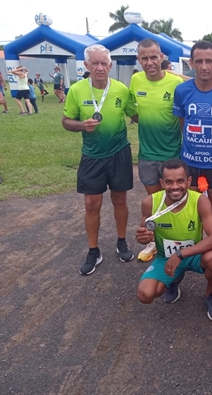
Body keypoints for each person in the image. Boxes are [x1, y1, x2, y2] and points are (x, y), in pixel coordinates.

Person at [62, 44, 138, 275]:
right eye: (94, 63)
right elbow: (66, 121)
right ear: (86, 65)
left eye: (103, 63)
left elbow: (136, 115)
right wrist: (81, 125)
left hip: (119, 153)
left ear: (110, 65)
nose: (99, 67)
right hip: (92, 156)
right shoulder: (76, 90)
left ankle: (122, 241)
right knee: (91, 204)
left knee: (120, 200)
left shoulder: (122, 90)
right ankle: (93, 250)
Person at [136, 159, 212, 321]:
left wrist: (179, 254)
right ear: (162, 183)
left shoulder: (199, 201)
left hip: (192, 255)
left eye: (180, 181)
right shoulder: (150, 203)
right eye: (169, 182)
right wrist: (142, 238)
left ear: (188, 181)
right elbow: (145, 234)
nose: (175, 186)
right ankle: (174, 280)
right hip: (166, 258)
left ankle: (210, 294)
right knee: (145, 294)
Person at [173, 40, 212, 231]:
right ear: (191, 63)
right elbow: (183, 122)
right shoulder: (182, 90)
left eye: (209, 61)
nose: (204, 67)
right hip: (190, 160)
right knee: (191, 207)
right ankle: (192, 246)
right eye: (199, 61)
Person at [131, 38, 184, 262]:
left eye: (154, 57)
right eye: (145, 58)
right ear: (139, 59)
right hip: (147, 155)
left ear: (161, 57)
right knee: (155, 200)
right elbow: (133, 112)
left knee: (175, 200)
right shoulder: (135, 80)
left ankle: (178, 240)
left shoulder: (175, 82)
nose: (150, 62)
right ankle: (156, 242)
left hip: (172, 154)